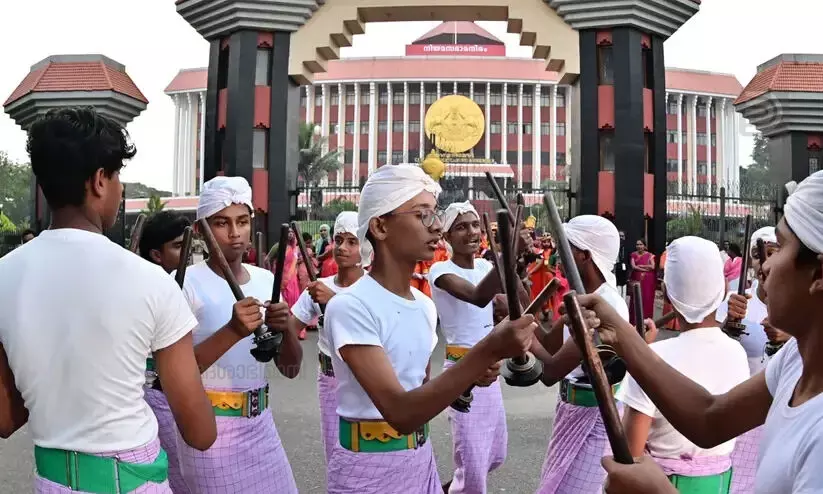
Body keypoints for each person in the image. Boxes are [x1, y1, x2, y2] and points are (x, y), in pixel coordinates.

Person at [0, 107, 216, 494]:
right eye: (118, 177)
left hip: (52, 482)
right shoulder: (150, 281)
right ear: (100, 180)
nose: (120, 190)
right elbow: (200, 432)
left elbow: (4, 419)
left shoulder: (4, 275)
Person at [590, 170, 823, 493]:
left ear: (818, 274)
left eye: (780, 248)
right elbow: (709, 418)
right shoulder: (797, 359)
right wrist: (622, 335)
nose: (765, 267)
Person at [324, 164, 536, 494]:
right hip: (367, 470)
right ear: (380, 226)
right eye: (422, 215)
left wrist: (469, 374)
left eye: (434, 214)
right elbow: (401, 413)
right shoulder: (351, 306)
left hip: (420, 460)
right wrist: (486, 352)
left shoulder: (423, 306)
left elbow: (420, 393)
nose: (436, 226)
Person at [177, 176, 300, 494]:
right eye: (222, 223)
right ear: (200, 229)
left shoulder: (265, 280)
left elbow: (290, 368)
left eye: (242, 221)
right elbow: (174, 375)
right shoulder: (183, 284)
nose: (234, 233)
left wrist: (286, 328)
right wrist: (232, 331)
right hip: (210, 431)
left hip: (262, 426)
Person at [617, 236, 750, 493]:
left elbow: (629, 455)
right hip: (719, 486)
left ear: (667, 293)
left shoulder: (652, 359)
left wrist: (640, 352)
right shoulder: (737, 353)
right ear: (723, 289)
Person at [535, 215, 631, 494]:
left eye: (566, 248)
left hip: (593, 418)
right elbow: (549, 344)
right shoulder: (581, 296)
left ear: (585, 255)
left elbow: (550, 371)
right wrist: (519, 305)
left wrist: (519, 338)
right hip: (572, 412)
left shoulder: (604, 304)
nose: (558, 257)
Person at [428, 201, 508, 494]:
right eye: (461, 227)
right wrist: (509, 256)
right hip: (462, 372)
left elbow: (518, 305)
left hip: (491, 372)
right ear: (447, 236)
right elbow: (477, 296)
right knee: (473, 467)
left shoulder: (487, 267)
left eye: (475, 225)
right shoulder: (440, 271)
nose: (472, 232)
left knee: (495, 455)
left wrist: (514, 265)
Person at [715, 226, 790, 494]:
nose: (764, 263)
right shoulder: (736, 301)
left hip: (780, 416)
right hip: (741, 414)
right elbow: (713, 348)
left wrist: (786, 339)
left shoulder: (799, 306)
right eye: (758, 256)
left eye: (773, 253)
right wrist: (727, 326)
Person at [288, 211, 365, 465]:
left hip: (365, 379)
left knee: (364, 449)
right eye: (338, 240)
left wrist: (333, 302)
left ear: (365, 247)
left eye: (352, 242)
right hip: (329, 378)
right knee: (335, 449)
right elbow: (290, 327)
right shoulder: (319, 287)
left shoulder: (373, 289)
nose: (342, 247)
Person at [139, 209, 195, 494]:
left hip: (181, 390)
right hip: (153, 393)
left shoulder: (191, 284)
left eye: (190, 245)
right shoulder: (145, 290)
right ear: (156, 254)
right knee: (174, 473)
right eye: (178, 246)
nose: (187, 253)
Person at [267, 229, 301, 307]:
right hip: (281, 278)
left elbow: (295, 262)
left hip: (292, 279)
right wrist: (270, 273)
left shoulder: (295, 248)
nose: (290, 234)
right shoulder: (278, 246)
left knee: (293, 299)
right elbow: (267, 259)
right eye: (288, 232)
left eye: (292, 232)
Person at [629, 239, 656, 325]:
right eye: (637, 244)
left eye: (641, 244)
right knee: (636, 298)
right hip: (636, 279)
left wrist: (641, 266)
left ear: (644, 246)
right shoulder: (633, 255)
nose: (639, 246)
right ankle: (634, 321)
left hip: (648, 281)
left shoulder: (650, 255)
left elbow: (653, 267)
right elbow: (634, 266)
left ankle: (646, 320)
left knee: (647, 298)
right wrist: (645, 269)